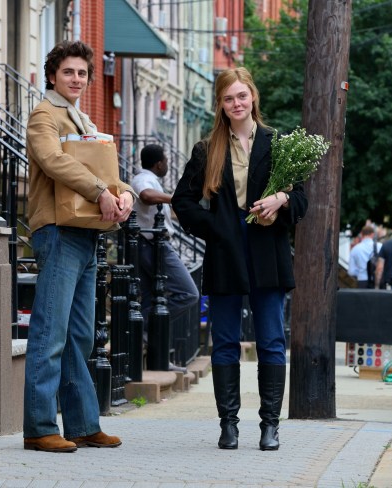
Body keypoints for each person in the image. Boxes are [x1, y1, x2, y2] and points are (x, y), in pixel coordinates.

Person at [171, 67, 308, 451]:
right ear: (221, 104)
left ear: (253, 98)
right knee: (226, 341)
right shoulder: (207, 149)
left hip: (269, 253)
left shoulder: (277, 143)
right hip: (226, 253)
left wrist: (281, 202)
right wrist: (216, 227)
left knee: (270, 341)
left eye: (241, 96)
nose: (236, 103)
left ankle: (269, 427)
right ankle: (228, 425)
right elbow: (182, 201)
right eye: (228, 98)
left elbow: (302, 199)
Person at [23, 40, 135, 453]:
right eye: (69, 72)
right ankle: (38, 427)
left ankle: (84, 424)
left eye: (82, 73)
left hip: (87, 232)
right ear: (53, 75)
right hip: (57, 229)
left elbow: (107, 171)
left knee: (81, 335)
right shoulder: (43, 115)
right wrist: (101, 189)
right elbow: (54, 161)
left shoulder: (82, 117)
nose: (77, 79)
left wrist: (125, 195)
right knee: (50, 331)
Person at [131, 144, 200, 370]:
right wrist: (175, 198)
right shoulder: (144, 178)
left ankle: (158, 359)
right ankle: (145, 325)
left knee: (152, 299)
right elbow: (146, 195)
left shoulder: (151, 179)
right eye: (166, 161)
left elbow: (165, 212)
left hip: (151, 244)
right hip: (153, 245)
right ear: (159, 163)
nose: (168, 165)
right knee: (189, 293)